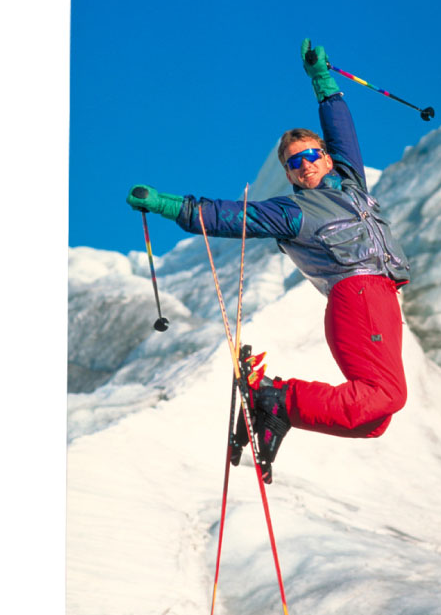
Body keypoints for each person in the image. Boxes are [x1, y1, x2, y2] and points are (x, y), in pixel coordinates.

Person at [127, 39, 411, 481]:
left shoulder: (352, 185)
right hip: (356, 295)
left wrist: (322, 81)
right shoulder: (292, 212)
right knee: (386, 395)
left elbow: (344, 135)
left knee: (374, 419)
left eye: (312, 155)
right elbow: (228, 216)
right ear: (288, 173)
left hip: (383, 301)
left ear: (327, 159)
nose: (305, 164)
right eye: (294, 163)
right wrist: (166, 204)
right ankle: (274, 397)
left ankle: (275, 409)